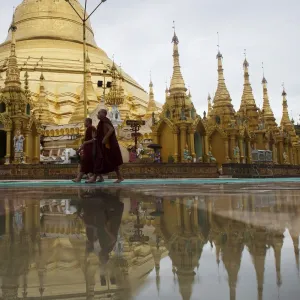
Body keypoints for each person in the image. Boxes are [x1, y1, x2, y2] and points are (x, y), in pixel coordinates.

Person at [86, 109, 124, 183]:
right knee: (108, 161)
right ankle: (120, 177)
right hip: (102, 144)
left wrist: (105, 138)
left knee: (101, 160)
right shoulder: (102, 122)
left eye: (99, 113)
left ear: (103, 114)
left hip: (106, 145)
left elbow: (111, 129)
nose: (98, 114)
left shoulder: (105, 120)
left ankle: (94, 178)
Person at [72, 118, 96, 182]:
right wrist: (80, 149)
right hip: (87, 148)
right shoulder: (88, 129)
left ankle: (79, 178)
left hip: (90, 149)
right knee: (92, 164)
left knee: (85, 163)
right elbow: (85, 142)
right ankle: (100, 177)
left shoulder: (92, 128)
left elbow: (94, 139)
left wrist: (86, 142)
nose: (84, 123)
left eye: (85, 122)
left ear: (88, 122)